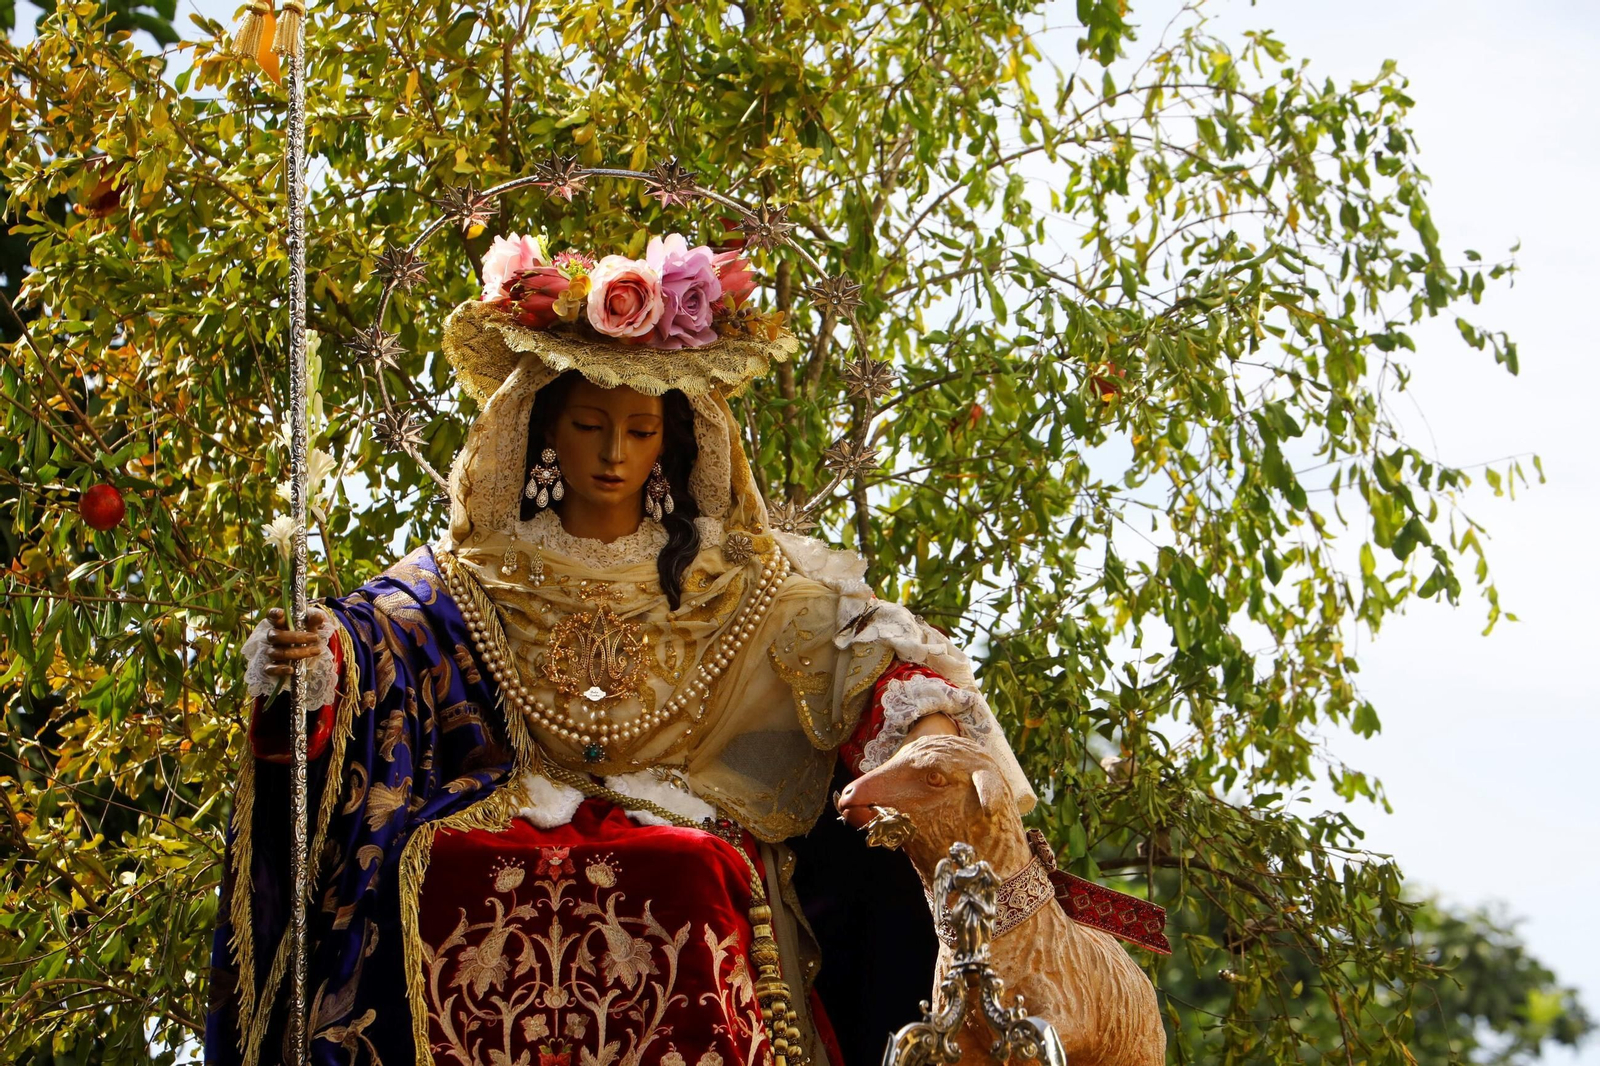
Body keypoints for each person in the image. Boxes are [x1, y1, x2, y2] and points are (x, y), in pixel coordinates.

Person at [204, 240, 1035, 1066]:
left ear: (668, 445)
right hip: (508, 808)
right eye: (590, 426)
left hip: (689, 826)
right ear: (543, 431)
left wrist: (921, 714)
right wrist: (317, 661)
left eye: (638, 432)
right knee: (437, 873)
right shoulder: (471, 577)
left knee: (686, 872)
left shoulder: (731, 581)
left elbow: (854, 641)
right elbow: (378, 634)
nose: (611, 455)